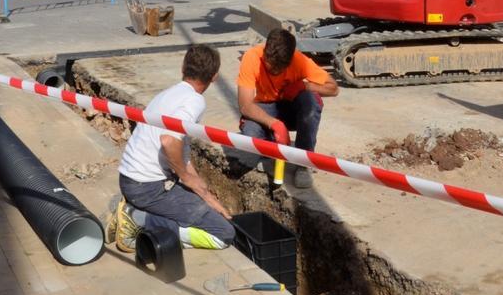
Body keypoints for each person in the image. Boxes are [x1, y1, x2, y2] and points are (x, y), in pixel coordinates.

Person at [108, 44, 234, 252]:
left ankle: (136, 212)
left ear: (183, 68)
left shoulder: (170, 94)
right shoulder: (194, 101)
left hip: (132, 181)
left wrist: (204, 193)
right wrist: (186, 177)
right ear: (214, 77)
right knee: (223, 234)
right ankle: (138, 221)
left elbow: (180, 153)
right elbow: (169, 141)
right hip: (148, 188)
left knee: (200, 203)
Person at [237, 28, 339, 188]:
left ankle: (303, 162)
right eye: (271, 65)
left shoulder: (299, 61)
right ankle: (271, 148)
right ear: (266, 52)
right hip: (266, 107)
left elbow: (333, 88)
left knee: (311, 103)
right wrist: (274, 124)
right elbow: (245, 105)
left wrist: (305, 86)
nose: (274, 71)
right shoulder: (252, 57)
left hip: (291, 108)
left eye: (279, 68)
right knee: (250, 132)